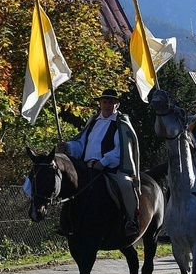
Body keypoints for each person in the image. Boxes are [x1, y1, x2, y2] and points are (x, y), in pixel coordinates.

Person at [57, 89, 141, 236]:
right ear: (100, 104)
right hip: (87, 167)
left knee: (125, 184)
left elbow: (121, 149)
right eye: (104, 102)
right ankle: (67, 223)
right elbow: (81, 144)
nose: (107, 105)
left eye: (110, 102)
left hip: (111, 168)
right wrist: (68, 147)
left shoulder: (121, 124)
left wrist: (103, 162)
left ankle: (131, 220)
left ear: (117, 105)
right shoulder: (94, 121)